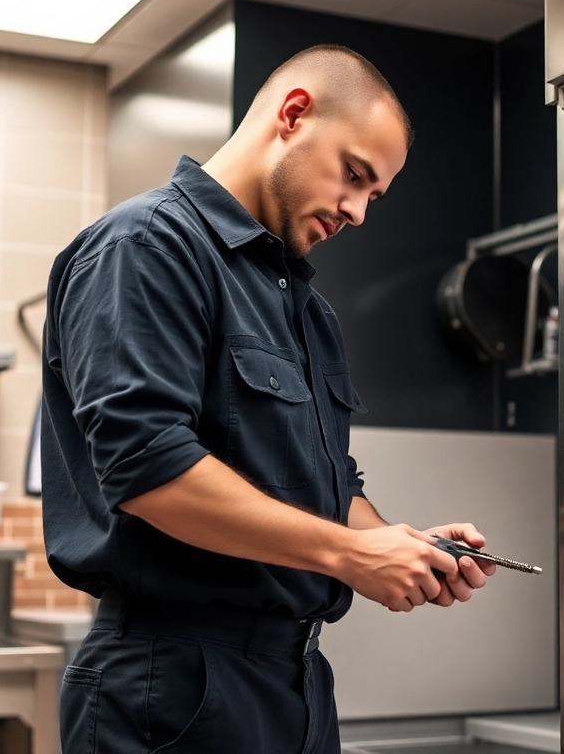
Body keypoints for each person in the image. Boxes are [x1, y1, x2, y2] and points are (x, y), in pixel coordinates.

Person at [40, 45, 496, 754]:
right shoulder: (146, 246)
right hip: (175, 686)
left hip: (297, 683)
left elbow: (328, 486)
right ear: (292, 115)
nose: (357, 211)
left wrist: (394, 544)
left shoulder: (305, 308)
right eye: (353, 175)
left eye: (374, 196)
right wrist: (349, 554)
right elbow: (147, 469)